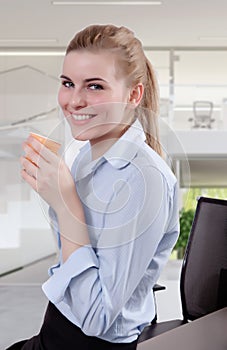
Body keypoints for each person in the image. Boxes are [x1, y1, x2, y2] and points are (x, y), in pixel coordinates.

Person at [7, 24, 179, 349]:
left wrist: (65, 202)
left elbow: (96, 318)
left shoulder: (144, 180)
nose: (74, 101)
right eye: (68, 83)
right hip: (57, 326)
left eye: (95, 86)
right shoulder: (87, 155)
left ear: (133, 95)